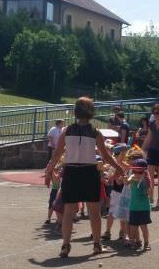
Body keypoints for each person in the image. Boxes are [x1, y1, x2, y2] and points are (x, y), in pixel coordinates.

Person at [45, 97, 125, 258]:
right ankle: (97, 245)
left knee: (69, 212)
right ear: (91, 113)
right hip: (89, 173)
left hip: (71, 172)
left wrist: (49, 170)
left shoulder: (67, 131)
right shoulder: (96, 133)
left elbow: (57, 154)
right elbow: (107, 156)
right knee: (94, 212)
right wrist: (119, 167)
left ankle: (66, 245)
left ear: (76, 112)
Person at [126, 159, 152, 251]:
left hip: (144, 208)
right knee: (133, 226)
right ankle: (133, 242)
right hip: (133, 207)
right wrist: (124, 178)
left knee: (143, 226)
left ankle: (146, 243)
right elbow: (126, 182)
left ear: (143, 169)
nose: (136, 170)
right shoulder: (132, 176)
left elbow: (149, 192)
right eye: (135, 168)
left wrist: (143, 182)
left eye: (138, 168)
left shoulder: (146, 178)